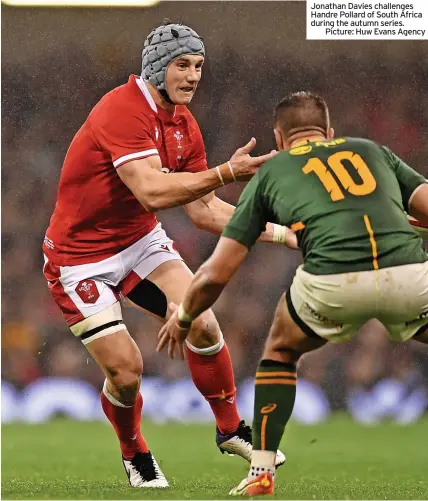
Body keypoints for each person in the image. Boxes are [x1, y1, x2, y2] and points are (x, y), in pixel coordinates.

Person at [42, 21, 292, 489]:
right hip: (79, 258)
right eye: (182, 65)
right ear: (157, 66)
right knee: (127, 370)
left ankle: (229, 429)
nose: (194, 76)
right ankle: (134, 451)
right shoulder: (121, 109)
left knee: (203, 320)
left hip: (138, 242)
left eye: (199, 66)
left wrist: (284, 234)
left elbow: (203, 211)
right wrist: (225, 171)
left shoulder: (182, 123)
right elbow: (153, 191)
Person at [157, 91, 428, 496]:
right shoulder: (372, 151)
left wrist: (183, 317)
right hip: (409, 273)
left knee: (281, 350)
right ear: (330, 132)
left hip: (333, 282)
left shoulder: (273, 171)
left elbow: (217, 272)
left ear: (279, 140)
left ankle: (262, 472)